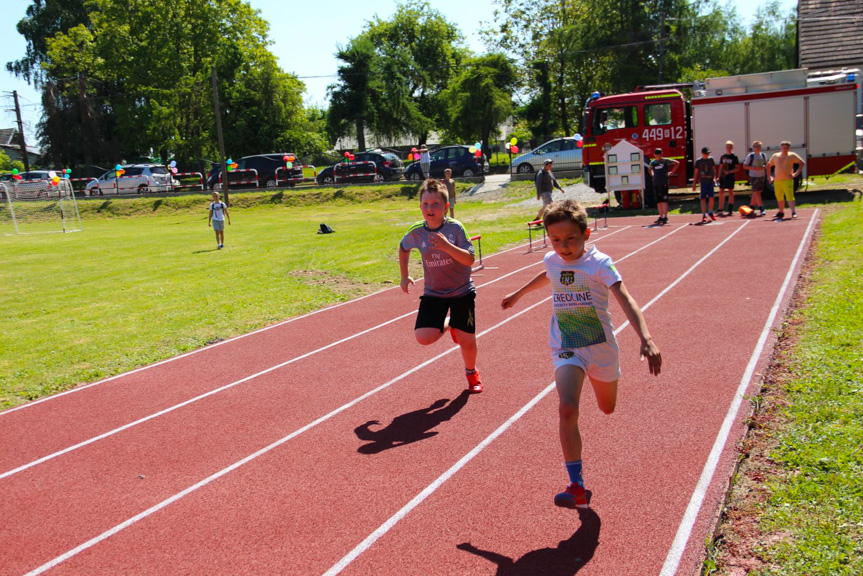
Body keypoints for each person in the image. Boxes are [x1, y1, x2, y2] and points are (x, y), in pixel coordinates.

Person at [501, 200, 661, 509]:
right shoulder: (553, 259)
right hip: (566, 345)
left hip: (600, 348)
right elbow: (549, 273)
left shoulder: (600, 263)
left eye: (570, 239)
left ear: (586, 233)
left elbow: (626, 299)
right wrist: (518, 294)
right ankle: (576, 485)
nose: (563, 246)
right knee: (566, 408)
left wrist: (647, 339)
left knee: (607, 408)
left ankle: (604, 387)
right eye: (556, 240)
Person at [399, 178, 483, 393]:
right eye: (425, 204)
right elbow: (403, 248)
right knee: (423, 338)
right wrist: (404, 276)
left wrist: (447, 247)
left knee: (467, 341)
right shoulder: (416, 232)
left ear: (446, 207)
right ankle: (450, 323)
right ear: (420, 207)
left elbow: (469, 259)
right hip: (434, 292)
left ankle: (471, 372)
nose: (430, 208)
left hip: (462, 291)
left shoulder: (455, 229)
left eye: (435, 204)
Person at [766, 140, 804, 220]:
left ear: (789, 148)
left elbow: (802, 163)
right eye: (784, 147)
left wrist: (795, 174)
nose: (785, 149)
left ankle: (793, 212)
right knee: (779, 196)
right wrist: (770, 177)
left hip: (787, 180)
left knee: (789, 196)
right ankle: (781, 212)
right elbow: (768, 165)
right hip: (777, 180)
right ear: (781, 147)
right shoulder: (775, 156)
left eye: (787, 148)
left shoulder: (792, 155)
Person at [648, 148, 679, 225]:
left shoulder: (665, 161)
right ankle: (661, 216)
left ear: (662, 154)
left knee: (664, 200)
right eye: (657, 154)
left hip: (663, 182)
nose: (658, 156)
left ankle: (665, 216)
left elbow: (677, 163)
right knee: (659, 201)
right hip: (656, 183)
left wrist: (671, 172)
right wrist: (653, 175)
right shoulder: (653, 162)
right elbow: (649, 169)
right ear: (654, 155)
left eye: (660, 154)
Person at [692, 147, 717, 223]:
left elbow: (713, 169)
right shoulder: (699, 161)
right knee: (703, 198)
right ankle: (704, 214)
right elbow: (696, 173)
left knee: (711, 197)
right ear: (702, 153)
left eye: (708, 153)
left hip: (710, 181)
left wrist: (715, 178)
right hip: (703, 182)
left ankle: (710, 211)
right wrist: (694, 184)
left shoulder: (711, 160)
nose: (707, 155)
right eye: (706, 153)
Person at [742, 141, 767, 217]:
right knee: (757, 192)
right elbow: (745, 166)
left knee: (757, 192)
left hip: (761, 175)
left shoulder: (763, 155)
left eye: (759, 146)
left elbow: (765, 164)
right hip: (753, 176)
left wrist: (763, 167)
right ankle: (761, 208)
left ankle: (751, 207)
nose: (757, 148)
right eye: (755, 146)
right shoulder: (750, 156)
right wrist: (754, 168)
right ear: (753, 148)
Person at [718, 140, 740, 215]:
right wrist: (718, 177)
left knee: (730, 191)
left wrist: (729, 172)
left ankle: (730, 208)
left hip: (730, 176)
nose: (728, 148)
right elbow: (720, 167)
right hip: (723, 177)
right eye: (727, 147)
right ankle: (720, 208)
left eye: (730, 147)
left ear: (732, 148)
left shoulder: (734, 157)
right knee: (721, 191)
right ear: (725, 147)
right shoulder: (723, 157)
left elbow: (737, 168)